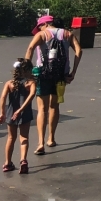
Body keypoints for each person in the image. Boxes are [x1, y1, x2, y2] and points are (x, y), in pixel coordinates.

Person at [24, 15, 81, 154]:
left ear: (46, 23)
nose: (39, 28)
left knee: (42, 108)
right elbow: (79, 51)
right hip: (61, 75)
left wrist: (27, 72)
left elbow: (31, 48)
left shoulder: (42, 34)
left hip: (42, 74)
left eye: (39, 26)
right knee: (54, 106)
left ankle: (40, 143)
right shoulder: (68, 34)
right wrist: (73, 71)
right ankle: (51, 139)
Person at [0, 58, 36, 174]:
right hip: (25, 113)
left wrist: (2, 113)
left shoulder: (9, 84)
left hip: (10, 113)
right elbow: (32, 95)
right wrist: (20, 109)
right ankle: (23, 160)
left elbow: (3, 98)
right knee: (24, 137)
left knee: (11, 138)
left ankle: (7, 163)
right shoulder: (30, 83)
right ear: (27, 70)